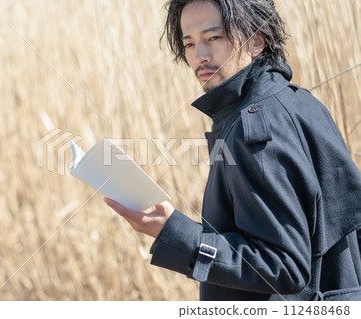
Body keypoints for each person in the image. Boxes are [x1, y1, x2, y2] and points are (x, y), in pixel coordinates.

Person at [104, 0, 361, 301]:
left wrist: (173, 233)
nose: (199, 56)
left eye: (214, 38)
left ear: (256, 41)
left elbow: (285, 267)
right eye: (188, 43)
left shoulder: (254, 128)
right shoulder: (299, 102)